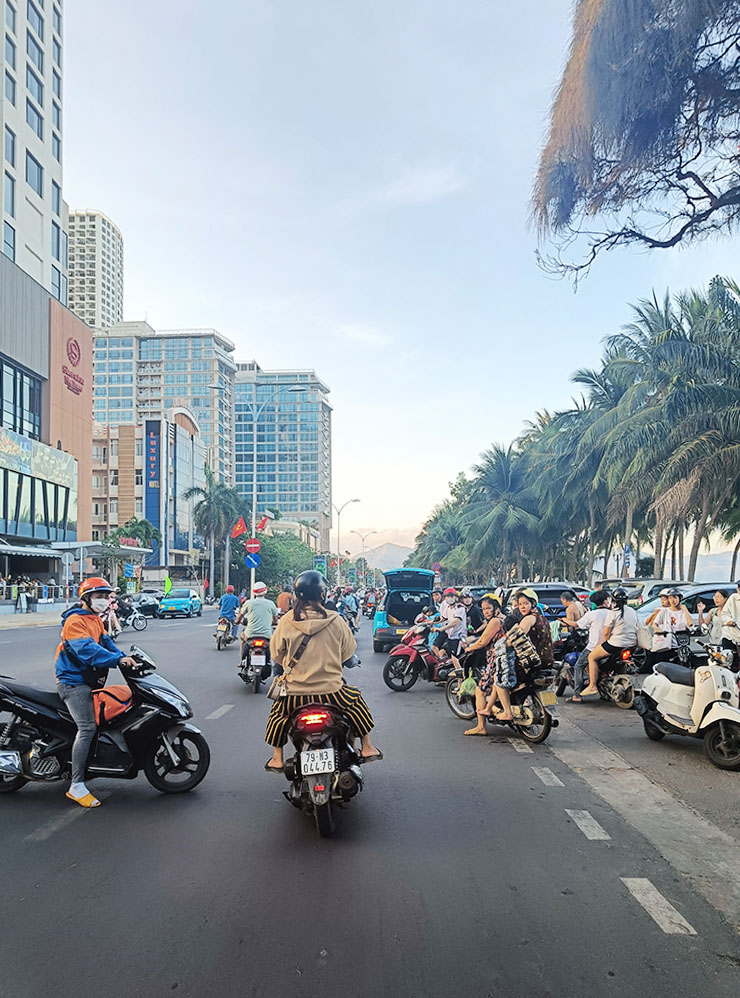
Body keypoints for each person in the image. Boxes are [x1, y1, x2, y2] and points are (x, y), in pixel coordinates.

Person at [264, 571, 381, 772]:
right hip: (332, 692)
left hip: (294, 694)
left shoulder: (286, 621)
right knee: (356, 701)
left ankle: (277, 757)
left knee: (278, 714)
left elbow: (275, 653)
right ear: (323, 594)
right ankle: (367, 746)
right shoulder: (335, 620)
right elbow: (347, 652)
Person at [54, 577, 137, 808]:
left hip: (88, 680)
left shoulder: (95, 620)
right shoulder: (75, 622)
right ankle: (77, 786)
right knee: (87, 726)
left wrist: (123, 656)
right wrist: (117, 661)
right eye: (99, 596)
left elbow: (106, 643)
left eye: (105, 596)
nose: (103, 600)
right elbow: (88, 652)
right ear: (87, 598)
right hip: (73, 682)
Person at [490, 589, 554, 722]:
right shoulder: (543, 618)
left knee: (499, 677)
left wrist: (504, 643)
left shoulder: (529, 618)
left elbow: (517, 636)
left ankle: (507, 712)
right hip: (547, 661)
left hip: (531, 662)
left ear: (533, 604)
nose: (522, 607)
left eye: (526, 603)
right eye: (520, 604)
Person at [460, 596, 507, 734]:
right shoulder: (504, 618)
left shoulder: (494, 621)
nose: (486, 611)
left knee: (480, 690)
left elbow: (482, 642)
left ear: (496, 608)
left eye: (489, 608)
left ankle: (481, 727)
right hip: (505, 659)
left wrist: (469, 648)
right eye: (484, 609)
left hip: (496, 661)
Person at [581, 587, 639, 697]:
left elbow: (606, 632)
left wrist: (605, 642)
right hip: (632, 644)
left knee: (592, 657)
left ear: (613, 600)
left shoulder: (613, 613)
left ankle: (592, 686)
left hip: (616, 644)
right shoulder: (632, 611)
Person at [563, 589, 611, 702]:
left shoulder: (592, 614)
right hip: (610, 646)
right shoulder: (612, 613)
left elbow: (576, 624)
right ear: (605, 601)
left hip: (594, 647)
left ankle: (577, 695)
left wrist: (564, 620)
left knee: (578, 666)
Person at [237, 581, 279, 671]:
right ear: (265, 591)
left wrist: (237, 621)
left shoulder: (249, 603)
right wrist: (272, 622)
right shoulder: (271, 603)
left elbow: (240, 616)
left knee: (242, 638)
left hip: (250, 634)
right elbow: (275, 619)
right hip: (266, 635)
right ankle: (272, 660)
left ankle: (242, 660)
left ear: (254, 592)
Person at [432, 588, 467, 660]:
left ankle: (459, 671)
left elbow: (454, 622)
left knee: (454, 658)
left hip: (458, 637)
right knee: (441, 653)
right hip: (450, 636)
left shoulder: (460, 608)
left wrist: (440, 629)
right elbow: (442, 619)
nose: (449, 598)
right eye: (447, 596)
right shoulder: (448, 608)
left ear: (456, 597)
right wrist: (425, 623)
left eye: (451, 596)